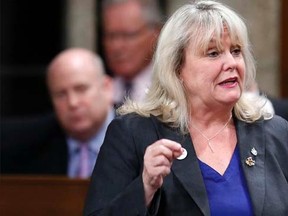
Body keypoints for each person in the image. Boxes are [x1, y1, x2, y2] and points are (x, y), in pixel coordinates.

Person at [84, 1, 288, 215]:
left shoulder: (275, 133)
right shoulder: (133, 134)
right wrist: (144, 188)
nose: (231, 63)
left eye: (236, 51)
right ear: (177, 68)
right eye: (213, 53)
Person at [1, 48, 115, 178]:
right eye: (61, 95)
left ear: (107, 88)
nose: (73, 102)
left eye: (81, 89)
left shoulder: (137, 139)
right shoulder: (30, 144)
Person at [101, 0, 163, 106]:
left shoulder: (171, 89)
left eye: (128, 35)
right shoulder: (98, 93)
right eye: (110, 36)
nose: (117, 46)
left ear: (155, 34)